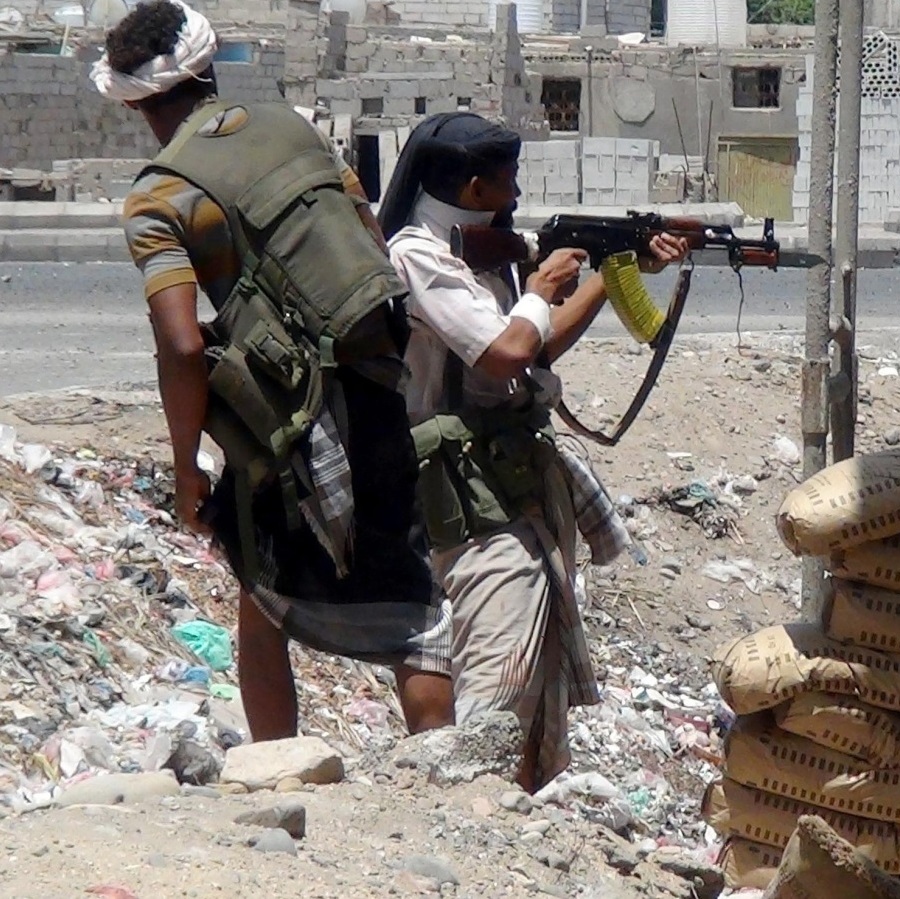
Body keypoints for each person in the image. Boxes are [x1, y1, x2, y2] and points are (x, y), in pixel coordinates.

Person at [92, 0, 453, 740]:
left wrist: (186, 465)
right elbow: (370, 241)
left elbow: (181, 346)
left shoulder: (158, 197)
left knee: (260, 603)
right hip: (376, 388)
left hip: (281, 425)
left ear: (131, 101)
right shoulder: (294, 128)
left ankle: (276, 771)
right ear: (208, 66)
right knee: (413, 613)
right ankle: (448, 776)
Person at [377, 113, 689, 791]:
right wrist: (542, 288)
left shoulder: (476, 254)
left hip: (494, 480)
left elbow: (535, 348)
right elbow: (507, 350)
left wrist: (614, 270)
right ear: (474, 187)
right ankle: (464, 802)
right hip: (463, 493)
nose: (517, 192)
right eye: (509, 179)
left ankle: (491, 804)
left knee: (494, 666)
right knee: (487, 676)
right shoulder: (419, 256)